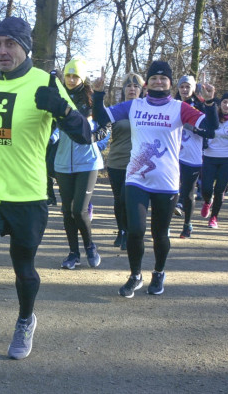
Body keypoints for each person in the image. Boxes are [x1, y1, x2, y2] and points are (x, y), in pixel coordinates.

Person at [0, 16, 88, 376]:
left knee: (23, 269)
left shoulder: (45, 83)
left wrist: (61, 109)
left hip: (27, 196)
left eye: (9, 44)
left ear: (25, 48)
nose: (0, 51)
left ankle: (26, 318)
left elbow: (85, 135)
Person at [93, 61, 217, 297]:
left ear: (170, 82)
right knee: (135, 230)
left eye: (163, 78)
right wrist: (99, 93)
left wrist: (210, 103)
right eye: (154, 78)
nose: (158, 81)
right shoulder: (134, 105)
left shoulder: (179, 108)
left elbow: (210, 128)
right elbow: (101, 117)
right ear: (146, 82)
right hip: (136, 179)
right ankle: (135, 275)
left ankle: (159, 272)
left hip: (166, 182)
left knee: (160, 233)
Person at [53, 57, 105, 269]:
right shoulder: (57, 98)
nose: (72, 79)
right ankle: (73, 253)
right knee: (66, 211)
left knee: (79, 210)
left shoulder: (91, 100)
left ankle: (90, 246)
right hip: (63, 162)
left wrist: (94, 140)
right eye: (68, 75)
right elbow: (52, 126)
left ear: (82, 78)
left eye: (76, 76)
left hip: (88, 162)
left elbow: (105, 128)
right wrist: (52, 136)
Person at [104, 73, 145, 250]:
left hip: (138, 163)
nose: (132, 89)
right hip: (117, 161)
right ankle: (121, 231)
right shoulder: (117, 110)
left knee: (129, 199)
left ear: (142, 90)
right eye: (128, 86)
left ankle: (130, 232)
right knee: (119, 199)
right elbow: (103, 130)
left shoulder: (147, 111)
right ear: (123, 89)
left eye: (136, 86)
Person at [200, 92, 228, 229]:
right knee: (206, 187)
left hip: (227, 158)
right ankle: (207, 201)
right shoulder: (213, 116)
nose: (226, 105)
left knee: (219, 189)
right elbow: (202, 130)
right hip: (209, 156)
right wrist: (204, 139)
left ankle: (213, 217)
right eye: (224, 102)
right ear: (220, 104)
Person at [174, 75, 211, 238]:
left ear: (193, 88)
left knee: (188, 193)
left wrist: (193, 128)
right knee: (169, 191)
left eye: (187, 87)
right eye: (181, 87)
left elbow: (210, 130)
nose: (184, 90)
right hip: (173, 154)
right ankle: (165, 223)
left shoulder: (200, 105)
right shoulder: (172, 104)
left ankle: (187, 224)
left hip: (192, 154)